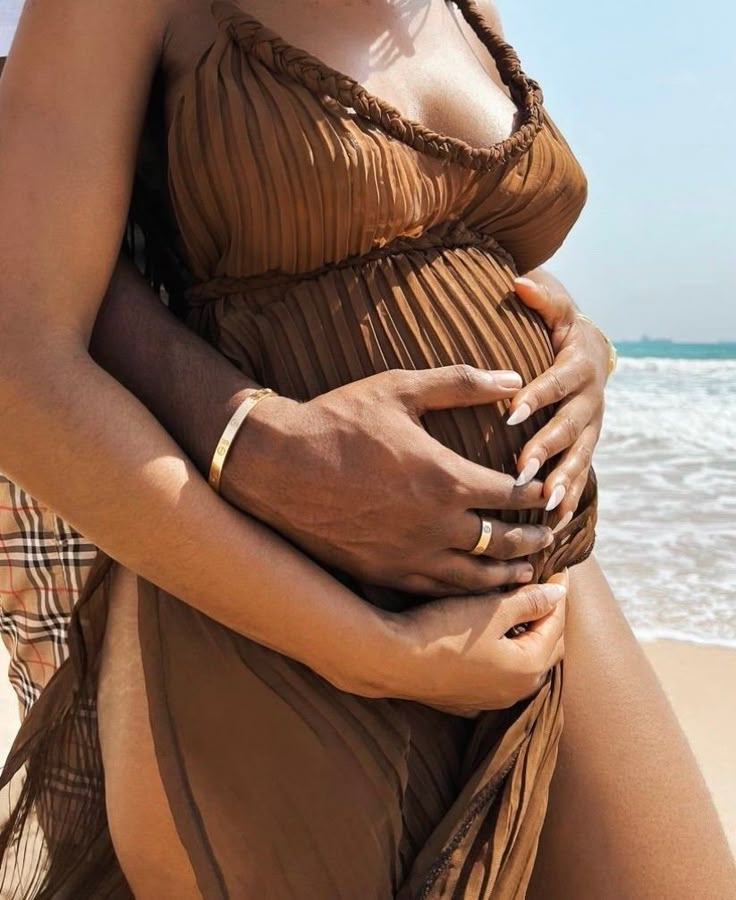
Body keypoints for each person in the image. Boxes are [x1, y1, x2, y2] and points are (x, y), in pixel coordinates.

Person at [0, 1, 733, 898]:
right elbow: (19, 362)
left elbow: (430, 229)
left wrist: (580, 339)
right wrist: (365, 645)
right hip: (266, 608)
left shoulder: (463, 7)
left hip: (533, 589)